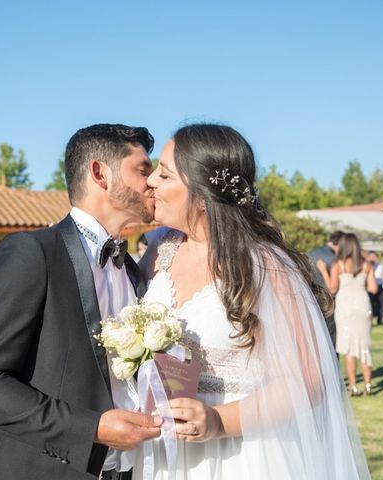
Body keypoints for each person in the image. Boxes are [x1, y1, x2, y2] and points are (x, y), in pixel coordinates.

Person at [138, 124, 370, 479]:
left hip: (243, 452)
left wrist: (218, 421)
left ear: (202, 196)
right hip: (166, 450)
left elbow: (310, 379)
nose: (151, 181)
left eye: (164, 174)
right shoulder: (157, 253)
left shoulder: (264, 265)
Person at [0, 124, 162, 480]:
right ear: (100, 174)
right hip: (36, 468)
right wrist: (92, 428)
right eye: (143, 170)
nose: (154, 181)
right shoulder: (33, 252)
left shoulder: (132, 269)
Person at [318, 233, 377, 396]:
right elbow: (373, 288)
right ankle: (368, 384)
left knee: (349, 348)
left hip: (345, 306)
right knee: (364, 345)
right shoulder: (366, 265)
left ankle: (353, 386)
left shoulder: (338, 264)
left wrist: (323, 270)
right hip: (362, 304)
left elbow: (332, 288)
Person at [308, 230, 344, 347]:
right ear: (338, 243)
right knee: (331, 337)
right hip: (329, 300)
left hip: (311, 297)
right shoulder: (333, 258)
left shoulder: (312, 253)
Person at [367, 252, 383, 325]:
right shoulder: (367, 266)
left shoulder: (380, 266)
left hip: (379, 286)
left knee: (380, 303)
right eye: (370, 256)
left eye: (373, 257)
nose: (372, 258)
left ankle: (379, 318)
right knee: (371, 303)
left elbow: (379, 276)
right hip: (370, 287)